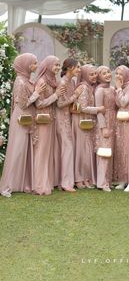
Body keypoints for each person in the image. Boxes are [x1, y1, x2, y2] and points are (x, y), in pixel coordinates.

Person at [0, 53, 45, 197]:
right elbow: (23, 104)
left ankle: (24, 184)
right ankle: (6, 186)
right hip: (21, 119)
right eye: (34, 63)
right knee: (17, 151)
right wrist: (37, 93)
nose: (36, 66)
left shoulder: (27, 80)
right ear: (26, 64)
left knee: (26, 150)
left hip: (28, 118)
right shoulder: (20, 81)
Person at [34, 55, 65, 195]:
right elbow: (39, 104)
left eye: (59, 65)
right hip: (43, 121)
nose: (58, 68)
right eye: (55, 65)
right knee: (42, 151)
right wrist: (56, 95)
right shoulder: (42, 81)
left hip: (51, 120)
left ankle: (49, 181)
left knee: (49, 151)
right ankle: (40, 184)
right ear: (47, 66)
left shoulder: (53, 81)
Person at [72, 64, 104, 189]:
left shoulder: (90, 87)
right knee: (81, 150)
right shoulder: (84, 88)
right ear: (85, 75)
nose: (95, 76)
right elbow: (83, 108)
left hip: (86, 121)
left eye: (95, 73)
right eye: (91, 74)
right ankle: (79, 178)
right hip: (81, 121)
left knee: (86, 150)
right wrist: (99, 109)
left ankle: (86, 177)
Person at [55, 59, 81, 192]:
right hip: (61, 119)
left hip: (68, 117)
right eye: (77, 67)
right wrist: (75, 96)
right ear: (70, 68)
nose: (79, 70)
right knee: (67, 148)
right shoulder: (63, 82)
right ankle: (66, 183)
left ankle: (63, 181)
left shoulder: (72, 82)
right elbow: (59, 104)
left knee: (66, 149)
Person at [95, 66, 117, 192]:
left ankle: (108, 180)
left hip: (113, 121)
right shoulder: (99, 91)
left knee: (110, 151)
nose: (108, 74)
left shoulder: (113, 89)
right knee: (104, 151)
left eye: (109, 72)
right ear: (99, 77)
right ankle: (102, 183)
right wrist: (103, 127)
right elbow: (99, 111)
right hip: (105, 122)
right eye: (104, 73)